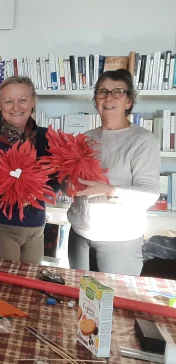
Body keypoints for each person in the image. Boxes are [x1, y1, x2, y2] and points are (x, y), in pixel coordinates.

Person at [67, 69, 159, 276]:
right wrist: (68, 185)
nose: (109, 98)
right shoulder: (85, 138)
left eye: (117, 92)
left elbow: (150, 193)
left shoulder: (143, 140)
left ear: (129, 101)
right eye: (102, 92)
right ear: (96, 100)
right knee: (81, 300)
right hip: (79, 236)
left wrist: (110, 190)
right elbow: (73, 186)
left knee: (116, 303)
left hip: (120, 240)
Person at [0, 76, 59, 264]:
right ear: (0, 105)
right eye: (9, 101)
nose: (16, 107)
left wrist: (38, 194)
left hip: (36, 227)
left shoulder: (47, 138)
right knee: (3, 289)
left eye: (22, 100)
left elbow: (56, 181)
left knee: (30, 286)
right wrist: (9, 194)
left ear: (33, 102)